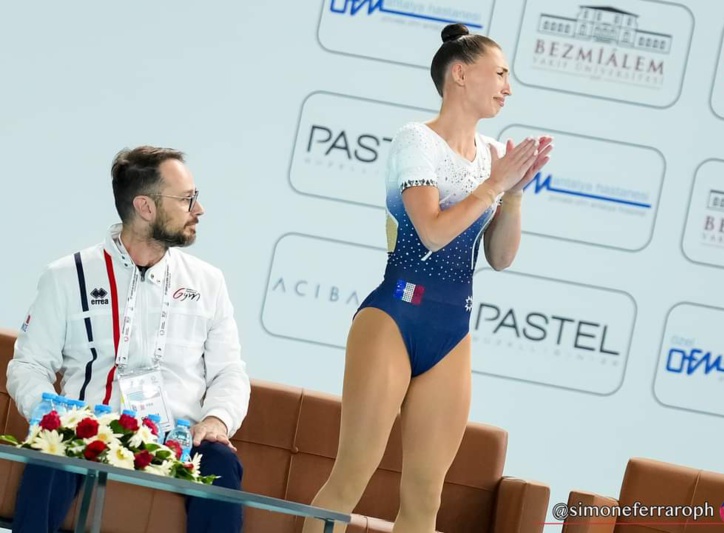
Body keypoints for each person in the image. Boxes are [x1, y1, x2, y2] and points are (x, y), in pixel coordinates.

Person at [303, 23, 553, 533]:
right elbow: (433, 232)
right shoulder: (416, 140)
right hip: (393, 318)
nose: (508, 87)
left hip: (450, 330)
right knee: (351, 476)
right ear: (460, 74)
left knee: (425, 498)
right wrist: (493, 186)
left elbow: (501, 259)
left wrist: (516, 193)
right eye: (501, 73)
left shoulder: (492, 156)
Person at [7, 146, 251, 533]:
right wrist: (56, 416)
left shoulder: (208, 282)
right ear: (145, 206)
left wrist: (217, 419)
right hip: (89, 432)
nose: (198, 210)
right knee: (48, 450)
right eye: (187, 199)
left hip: (179, 440)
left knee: (221, 464)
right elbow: (29, 366)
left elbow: (230, 372)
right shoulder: (67, 276)